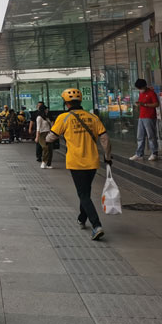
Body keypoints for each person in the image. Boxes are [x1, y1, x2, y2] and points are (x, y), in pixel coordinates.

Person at [46, 88, 112, 241]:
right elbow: (105, 139)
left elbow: (50, 138)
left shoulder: (64, 118)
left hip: (76, 162)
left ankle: (96, 225)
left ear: (66, 103)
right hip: (93, 162)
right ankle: (82, 218)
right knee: (85, 192)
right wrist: (107, 157)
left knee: (83, 194)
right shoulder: (92, 117)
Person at [130, 78, 159, 162]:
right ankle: (139, 154)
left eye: (140, 88)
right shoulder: (141, 94)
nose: (140, 90)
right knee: (140, 136)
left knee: (151, 136)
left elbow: (156, 104)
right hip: (141, 116)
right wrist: (138, 106)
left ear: (144, 86)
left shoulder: (151, 93)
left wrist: (144, 104)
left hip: (149, 117)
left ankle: (154, 153)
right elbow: (141, 103)